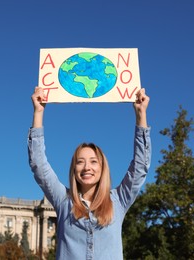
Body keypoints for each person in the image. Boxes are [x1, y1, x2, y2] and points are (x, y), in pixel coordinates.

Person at [28, 86, 151, 260]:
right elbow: (39, 165)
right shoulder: (63, 201)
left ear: (102, 168)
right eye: (80, 161)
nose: (87, 167)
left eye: (93, 161)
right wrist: (38, 113)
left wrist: (141, 116)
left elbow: (140, 167)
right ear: (74, 169)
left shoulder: (118, 201)